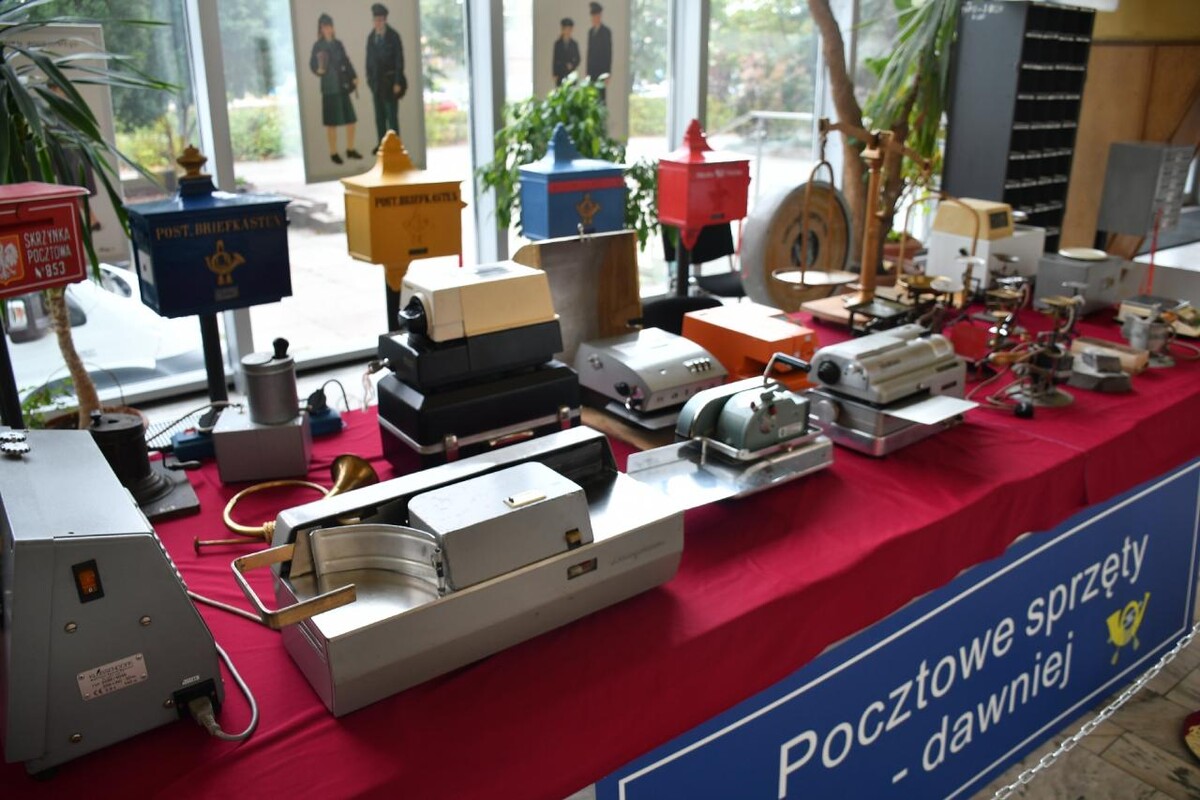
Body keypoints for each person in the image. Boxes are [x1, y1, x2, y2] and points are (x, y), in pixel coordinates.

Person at [309, 13, 362, 165]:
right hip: (329, 88)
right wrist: (318, 70)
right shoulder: (318, 46)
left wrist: (353, 75)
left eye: (329, 26)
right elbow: (312, 64)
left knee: (350, 120)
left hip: (342, 85)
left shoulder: (338, 44)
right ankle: (333, 152)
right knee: (331, 123)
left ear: (332, 28)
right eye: (324, 27)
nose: (327, 29)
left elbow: (346, 60)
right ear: (320, 29)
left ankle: (350, 149)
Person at [365, 2, 407, 153]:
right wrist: (370, 80)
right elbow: (368, 62)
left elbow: (399, 60)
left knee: (391, 116)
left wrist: (397, 82)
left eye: (380, 20)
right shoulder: (371, 38)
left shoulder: (393, 36)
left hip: (390, 83)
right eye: (375, 20)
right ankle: (381, 144)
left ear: (385, 20)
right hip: (377, 83)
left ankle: (395, 146)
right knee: (379, 117)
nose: (378, 23)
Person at [585, 1, 612, 103]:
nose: (594, 18)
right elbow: (589, 53)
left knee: (601, 98)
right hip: (592, 71)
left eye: (597, 16)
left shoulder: (606, 32)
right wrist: (587, 71)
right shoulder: (590, 32)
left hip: (602, 71)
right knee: (591, 97)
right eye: (593, 16)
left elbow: (608, 53)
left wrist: (607, 73)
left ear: (600, 16)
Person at [552, 18, 580, 87]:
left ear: (571, 30)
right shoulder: (558, 44)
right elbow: (555, 59)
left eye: (569, 29)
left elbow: (578, 58)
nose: (567, 31)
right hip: (560, 73)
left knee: (571, 91)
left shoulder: (574, 44)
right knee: (561, 91)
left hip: (571, 74)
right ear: (562, 30)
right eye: (566, 29)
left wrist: (572, 65)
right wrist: (554, 74)